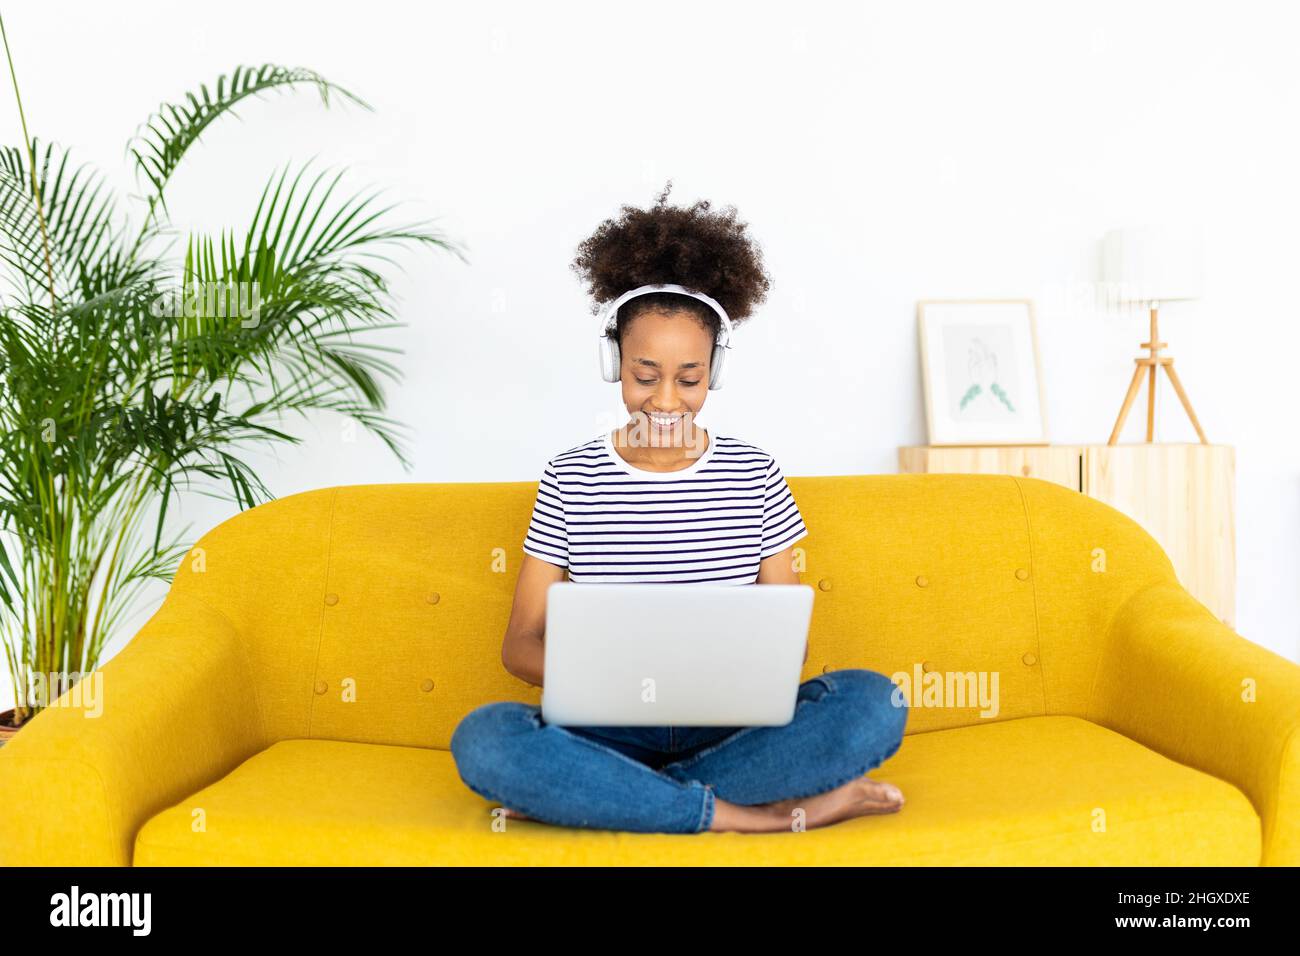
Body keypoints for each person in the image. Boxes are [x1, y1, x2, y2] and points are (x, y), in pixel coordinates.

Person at [450, 182, 908, 834]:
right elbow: (519, 644)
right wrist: (610, 670)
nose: (666, 400)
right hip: (606, 728)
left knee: (872, 701)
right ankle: (756, 816)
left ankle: (606, 798)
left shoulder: (755, 473)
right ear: (614, 364)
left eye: (689, 379)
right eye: (644, 375)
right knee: (486, 738)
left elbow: (790, 643)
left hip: (730, 726)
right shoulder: (570, 476)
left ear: (713, 372)